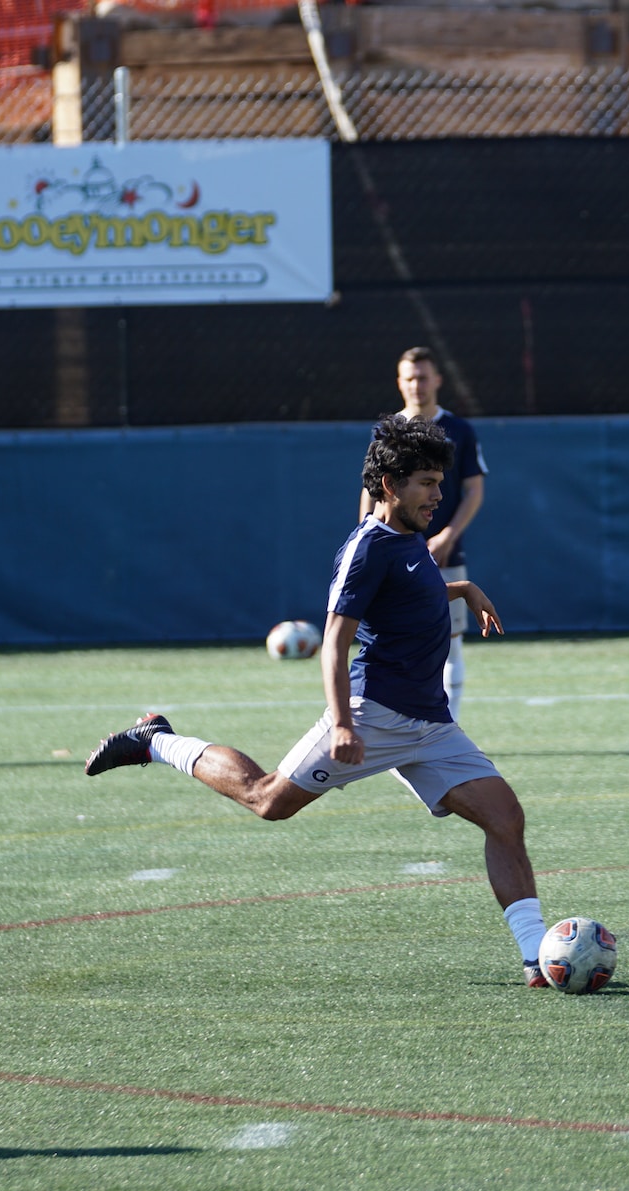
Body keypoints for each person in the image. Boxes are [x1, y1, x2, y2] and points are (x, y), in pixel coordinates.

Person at [88, 415, 551, 985]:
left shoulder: (409, 540)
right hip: (371, 714)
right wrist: (341, 723)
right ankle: (157, 740)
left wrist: (464, 588)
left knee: (505, 817)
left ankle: (537, 956)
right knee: (268, 800)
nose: (438, 494)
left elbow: (415, 590)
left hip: (430, 725)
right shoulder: (366, 549)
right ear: (390, 487)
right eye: (427, 483)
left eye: (439, 481)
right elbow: (334, 641)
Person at [357, 347, 486, 719]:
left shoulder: (459, 430)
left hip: (442, 553)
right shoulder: (386, 430)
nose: (417, 385)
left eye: (424, 377)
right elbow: (371, 487)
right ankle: (387, 720)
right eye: (409, 378)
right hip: (393, 553)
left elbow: (474, 490)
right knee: (389, 634)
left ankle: (448, 725)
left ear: (438, 381)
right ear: (400, 382)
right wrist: (368, 532)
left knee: (450, 641)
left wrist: (447, 535)